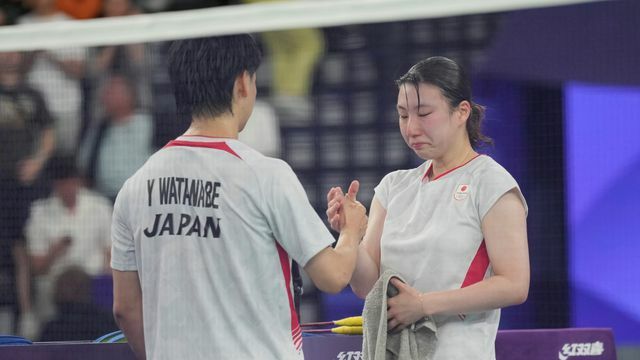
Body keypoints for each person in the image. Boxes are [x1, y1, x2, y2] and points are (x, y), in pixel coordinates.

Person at [110, 34, 368, 360]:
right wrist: (351, 231)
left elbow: (126, 309)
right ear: (242, 84)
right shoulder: (266, 175)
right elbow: (333, 276)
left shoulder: (134, 187)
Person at [326, 56, 529, 360]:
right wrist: (350, 233)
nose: (411, 128)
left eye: (424, 114)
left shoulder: (491, 182)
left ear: (461, 112)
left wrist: (423, 304)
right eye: (403, 115)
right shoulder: (394, 186)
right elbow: (366, 285)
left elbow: (514, 285)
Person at [0, 50, 55, 337]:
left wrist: (37, 162)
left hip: (22, 186)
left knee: (21, 248)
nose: (8, 57)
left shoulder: (33, 94)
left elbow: (49, 133)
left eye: (12, 53)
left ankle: (26, 313)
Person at [25, 155, 113, 334]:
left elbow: (111, 253)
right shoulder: (40, 213)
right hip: (56, 293)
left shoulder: (100, 207)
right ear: (55, 184)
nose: (68, 188)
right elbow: (36, 267)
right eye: (62, 183)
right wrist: (55, 251)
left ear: (78, 180)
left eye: (71, 181)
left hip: (93, 287)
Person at [78, 74, 154, 201]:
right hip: (104, 198)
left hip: (142, 197)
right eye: (105, 92)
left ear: (129, 95)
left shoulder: (148, 124)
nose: (104, 96)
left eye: (111, 91)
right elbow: (84, 164)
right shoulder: (99, 128)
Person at [38, 266, 117, 341]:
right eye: (65, 286)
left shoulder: (53, 329)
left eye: (73, 286)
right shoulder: (53, 329)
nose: (68, 291)